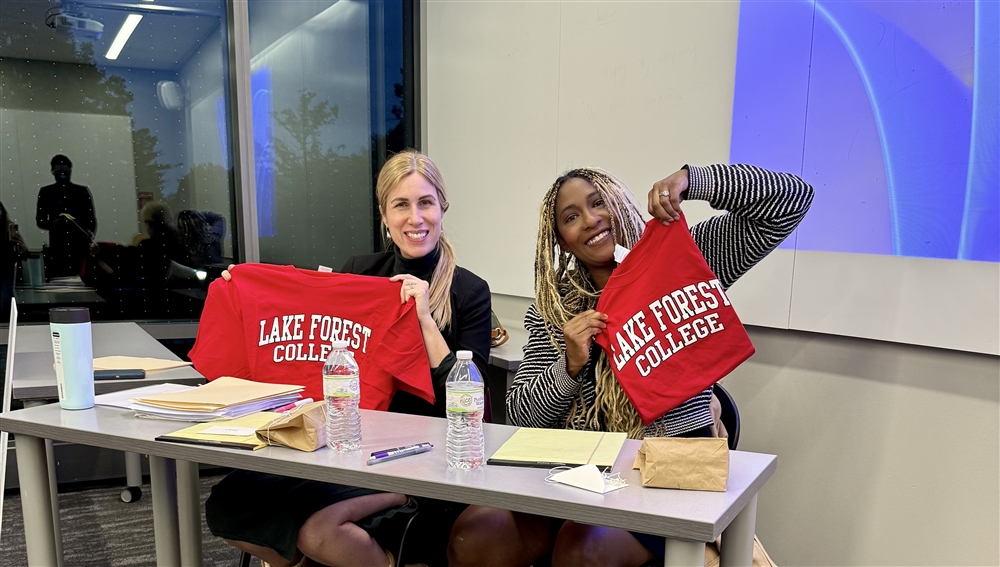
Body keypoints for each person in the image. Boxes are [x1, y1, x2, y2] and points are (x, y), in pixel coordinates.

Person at [448, 163, 813, 567]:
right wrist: (568, 366)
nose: (590, 220)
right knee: (475, 535)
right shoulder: (554, 309)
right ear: (562, 242)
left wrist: (692, 180)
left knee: (584, 546)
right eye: (571, 218)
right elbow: (520, 414)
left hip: (664, 472)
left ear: (619, 201)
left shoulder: (683, 258)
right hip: (574, 472)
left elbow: (791, 199)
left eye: (598, 203)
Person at [204, 150, 492, 567]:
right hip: (347, 448)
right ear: (384, 215)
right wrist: (245, 289)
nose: (415, 218)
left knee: (317, 531)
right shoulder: (360, 272)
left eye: (425, 202)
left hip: (420, 460)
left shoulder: (469, 291)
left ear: (442, 208)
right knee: (229, 503)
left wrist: (425, 320)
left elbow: (470, 401)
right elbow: (313, 332)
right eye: (401, 204)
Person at [36, 155, 97, 278]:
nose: (62, 176)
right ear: (53, 172)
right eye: (59, 172)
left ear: (70, 171)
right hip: (58, 247)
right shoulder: (46, 192)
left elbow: (91, 220)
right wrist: (54, 224)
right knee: (60, 280)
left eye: (65, 172)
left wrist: (88, 236)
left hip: (80, 246)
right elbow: (40, 221)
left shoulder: (82, 191)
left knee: (83, 280)